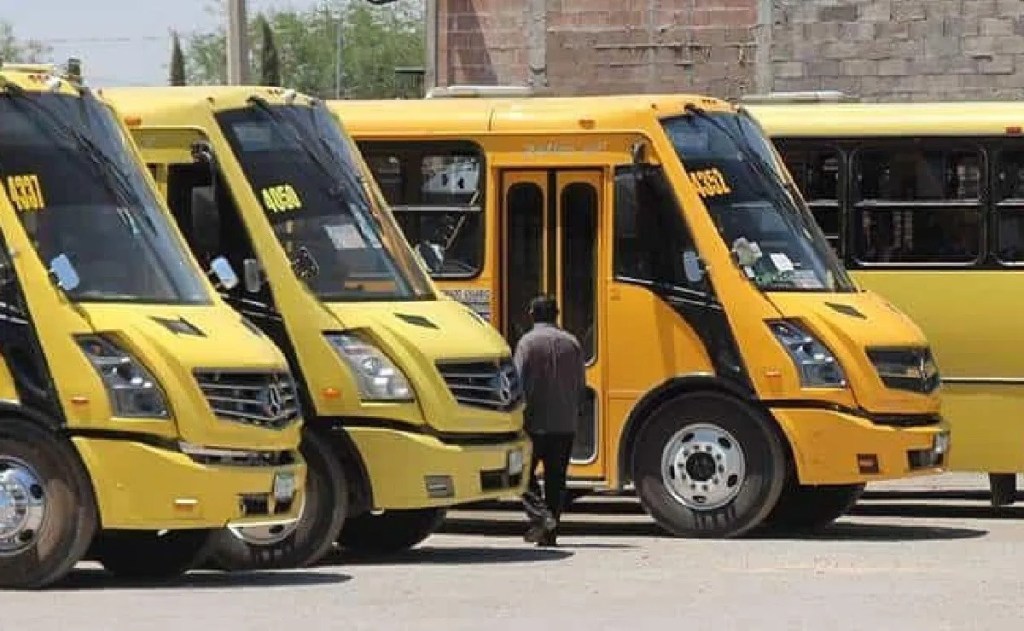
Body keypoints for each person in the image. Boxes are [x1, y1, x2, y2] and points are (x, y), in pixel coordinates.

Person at [513, 294, 586, 547]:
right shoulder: (572, 343)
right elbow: (580, 385)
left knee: (522, 476)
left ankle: (541, 516)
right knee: (556, 480)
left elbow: (518, 383)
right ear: (556, 314)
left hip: (533, 422)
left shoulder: (527, 343)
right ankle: (550, 533)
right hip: (564, 424)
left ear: (532, 314)